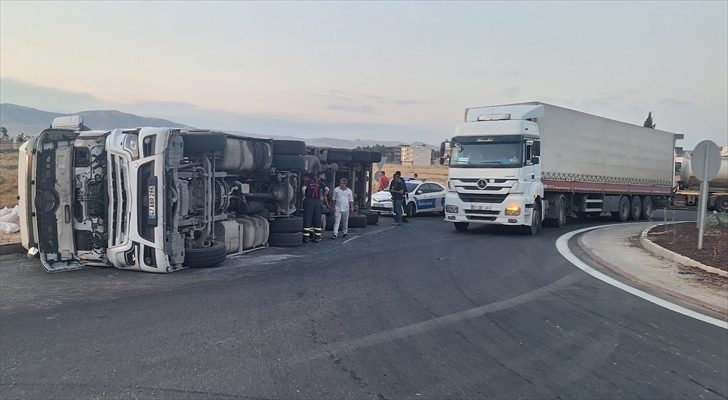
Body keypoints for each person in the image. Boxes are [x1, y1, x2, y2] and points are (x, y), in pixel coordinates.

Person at [301, 172, 329, 242]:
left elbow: (303, 188)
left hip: (309, 201)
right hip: (317, 202)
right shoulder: (320, 183)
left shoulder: (308, 182)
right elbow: (327, 189)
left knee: (308, 218)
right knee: (317, 219)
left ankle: (306, 238)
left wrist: (304, 196)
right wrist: (323, 196)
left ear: (309, 177)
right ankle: (317, 237)